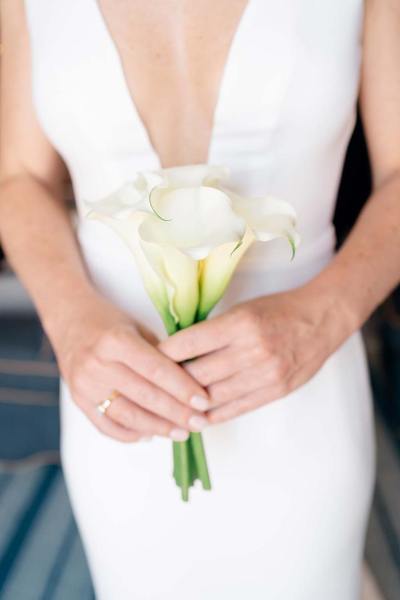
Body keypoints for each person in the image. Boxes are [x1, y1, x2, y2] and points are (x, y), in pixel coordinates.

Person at [0, 1, 398, 598]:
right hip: (115, 392)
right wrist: (71, 322)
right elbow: (19, 179)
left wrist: (327, 313)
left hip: (301, 384)